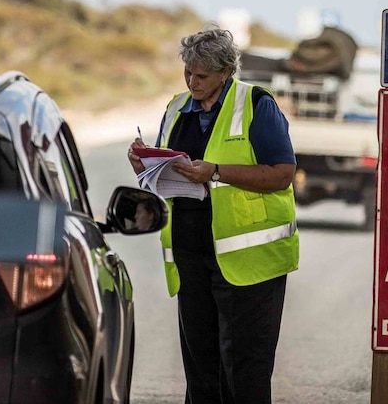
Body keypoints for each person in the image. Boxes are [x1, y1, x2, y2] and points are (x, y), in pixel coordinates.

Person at [127, 26, 299, 404]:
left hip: (250, 262)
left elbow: (282, 174)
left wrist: (216, 171)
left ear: (225, 72)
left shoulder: (256, 104)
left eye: (201, 75)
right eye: (187, 72)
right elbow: (167, 174)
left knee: (244, 372)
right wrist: (145, 162)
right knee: (201, 368)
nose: (192, 82)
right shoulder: (175, 107)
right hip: (191, 256)